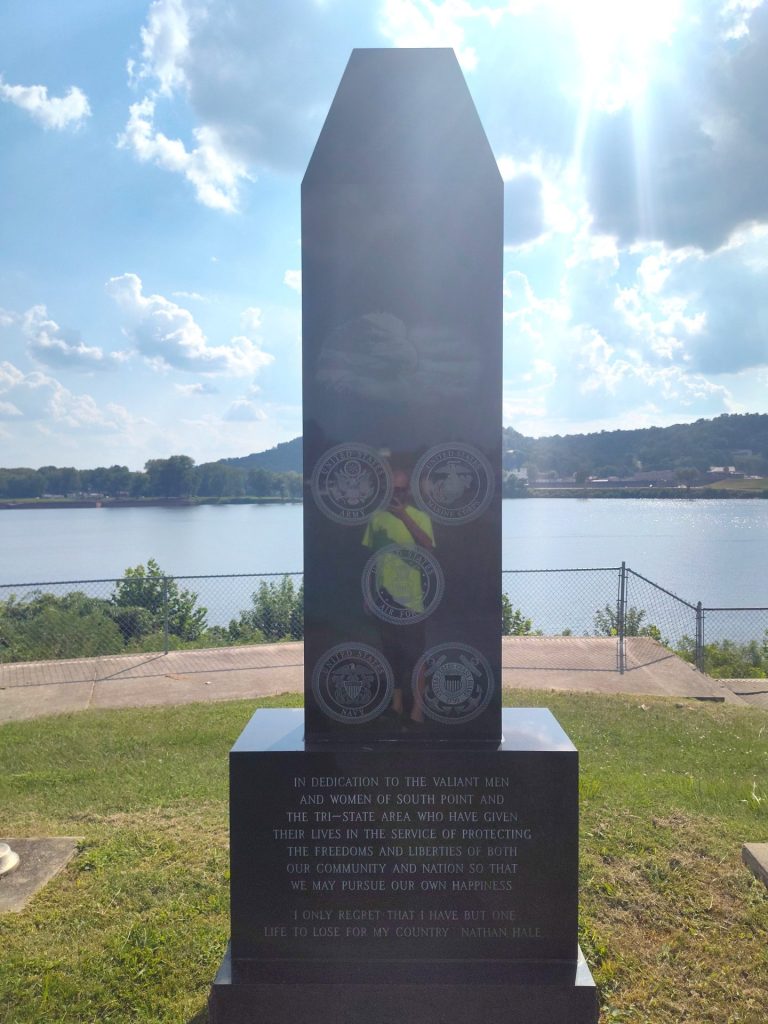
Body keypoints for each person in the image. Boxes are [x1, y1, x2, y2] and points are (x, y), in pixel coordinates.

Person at [362, 468, 435, 728]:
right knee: (391, 653)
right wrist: (368, 594)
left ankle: (418, 710)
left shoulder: (420, 517)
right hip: (383, 599)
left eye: (402, 490)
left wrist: (403, 516)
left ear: (409, 492)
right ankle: (396, 706)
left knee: (416, 655)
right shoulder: (377, 520)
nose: (397, 495)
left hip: (412, 600)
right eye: (393, 490)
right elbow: (370, 560)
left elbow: (427, 545)